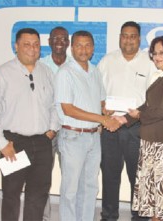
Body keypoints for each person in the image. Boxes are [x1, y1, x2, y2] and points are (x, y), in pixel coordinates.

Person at [0, 28, 60, 221]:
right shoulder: (2, 74)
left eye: (36, 45)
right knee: (11, 195)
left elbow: (55, 105)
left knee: (38, 194)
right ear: (16, 46)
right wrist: (1, 143)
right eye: (27, 44)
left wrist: (51, 130)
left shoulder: (47, 72)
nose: (32, 49)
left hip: (42, 143)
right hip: (13, 145)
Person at [116, 35, 163, 221]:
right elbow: (148, 106)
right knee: (156, 204)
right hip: (153, 145)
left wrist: (139, 116)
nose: (157, 57)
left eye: (162, 53)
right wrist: (125, 119)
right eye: (154, 53)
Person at [54, 30, 120, 221]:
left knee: (90, 186)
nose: (84, 49)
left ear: (93, 48)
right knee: (70, 189)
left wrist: (119, 113)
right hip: (73, 136)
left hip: (93, 136)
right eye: (79, 45)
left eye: (88, 45)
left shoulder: (95, 71)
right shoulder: (65, 72)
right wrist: (102, 119)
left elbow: (102, 104)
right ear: (71, 47)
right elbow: (68, 109)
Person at [97, 21, 156, 221]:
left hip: (136, 128)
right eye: (124, 35)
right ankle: (109, 215)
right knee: (109, 175)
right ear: (119, 37)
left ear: (139, 39)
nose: (128, 39)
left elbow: (153, 98)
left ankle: (139, 216)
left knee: (137, 176)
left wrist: (130, 117)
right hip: (110, 127)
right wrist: (102, 106)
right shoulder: (107, 60)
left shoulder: (149, 62)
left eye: (132, 36)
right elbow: (98, 91)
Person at [40, 25, 72, 221]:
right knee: (43, 176)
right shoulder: (40, 65)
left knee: (70, 177)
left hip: (69, 129)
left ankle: (68, 216)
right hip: (47, 130)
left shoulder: (75, 65)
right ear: (49, 41)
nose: (59, 42)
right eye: (55, 38)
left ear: (68, 43)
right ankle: (43, 217)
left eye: (63, 38)